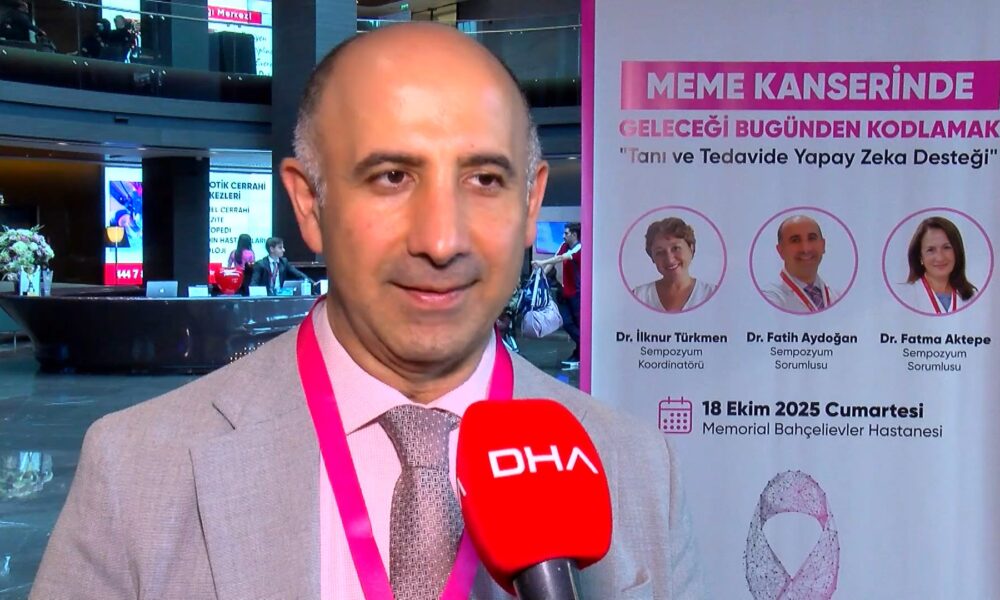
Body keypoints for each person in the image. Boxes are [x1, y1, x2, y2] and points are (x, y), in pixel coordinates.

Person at [30, 23, 702, 600]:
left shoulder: (637, 467)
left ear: (530, 204)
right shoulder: (138, 469)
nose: (441, 240)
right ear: (309, 204)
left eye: (484, 179)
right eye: (392, 177)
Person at [631, 217, 718, 312]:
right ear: (652, 257)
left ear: (691, 248)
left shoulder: (714, 294)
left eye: (676, 248)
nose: (670, 259)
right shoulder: (638, 296)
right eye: (660, 252)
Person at [895, 216, 977, 314]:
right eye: (931, 250)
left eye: (946, 247)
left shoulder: (973, 297)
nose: (940, 257)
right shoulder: (903, 296)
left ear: (957, 251)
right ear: (920, 256)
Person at [762, 214, 841, 313]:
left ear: (823, 245)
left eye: (812, 238)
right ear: (780, 251)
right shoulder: (769, 299)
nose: (805, 249)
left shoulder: (837, 296)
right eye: (795, 240)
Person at [531, 223, 582, 369]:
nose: (563, 236)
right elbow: (554, 260)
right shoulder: (564, 245)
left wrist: (542, 262)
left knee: (578, 325)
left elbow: (561, 258)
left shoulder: (580, 248)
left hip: (578, 294)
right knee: (566, 321)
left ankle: (581, 353)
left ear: (574, 235)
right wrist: (540, 276)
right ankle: (582, 351)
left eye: (566, 233)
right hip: (567, 293)